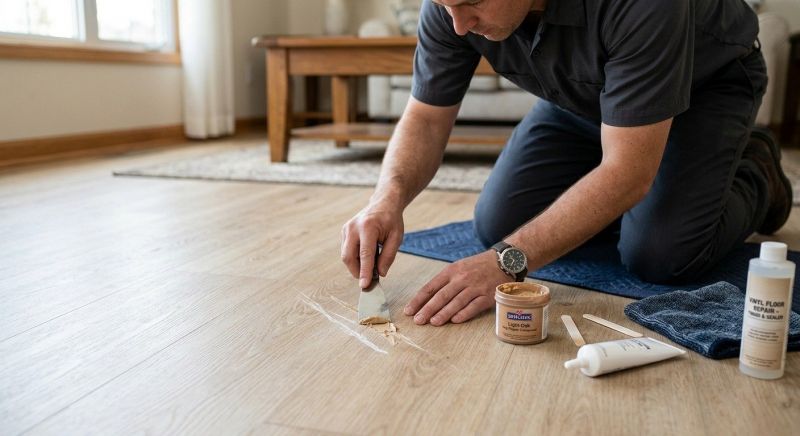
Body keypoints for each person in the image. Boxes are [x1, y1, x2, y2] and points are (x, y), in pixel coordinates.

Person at [340, 0, 792, 326]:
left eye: (472, 3)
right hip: (585, 100)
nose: (457, 25)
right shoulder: (452, 10)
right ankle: (656, 189)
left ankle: (757, 172)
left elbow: (627, 174)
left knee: (658, 253)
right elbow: (425, 118)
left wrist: (508, 260)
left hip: (706, 89)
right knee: (500, 222)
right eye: (446, 6)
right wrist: (386, 199)